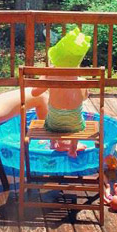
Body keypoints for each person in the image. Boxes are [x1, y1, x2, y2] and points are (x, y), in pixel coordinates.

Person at [31, 28, 91, 158]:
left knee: (50, 115)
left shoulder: (50, 76)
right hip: (75, 125)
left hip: (53, 124)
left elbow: (35, 93)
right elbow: (85, 98)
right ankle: (73, 148)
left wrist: (44, 75)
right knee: (78, 118)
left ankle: (53, 143)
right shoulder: (82, 80)